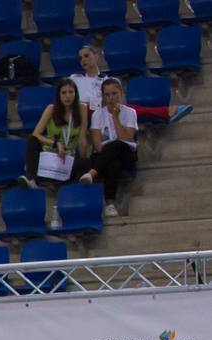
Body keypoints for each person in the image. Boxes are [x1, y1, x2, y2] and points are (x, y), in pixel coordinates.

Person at [73, 44, 191, 125]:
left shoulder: (108, 80)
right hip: (79, 113)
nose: (83, 60)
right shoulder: (74, 78)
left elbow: (108, 101)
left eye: (86, 56)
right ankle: (166, 112)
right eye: (80, 58)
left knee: (123, 109)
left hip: (101, 112)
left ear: (96, 57)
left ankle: (166, 112)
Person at [78, 78, 139, 217]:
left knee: (117, 144)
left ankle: (92, 173)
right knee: (113, 163)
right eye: (107, 95)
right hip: (105, 156)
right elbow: (98, 145)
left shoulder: (130, 112)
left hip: (126, 153)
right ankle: (110, 204)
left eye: (114, 93)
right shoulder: (97, 114)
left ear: (121, 93)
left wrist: (115, 118)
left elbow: (127, 139)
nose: (111, 98)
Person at [22, 78, 90, 188]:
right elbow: (36, 135)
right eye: (64, 93)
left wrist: (83, 159)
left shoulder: (82, 108)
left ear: (75, 93)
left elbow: (82, 138)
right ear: (59, 95)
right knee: (32, 140)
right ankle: (31, 179)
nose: (67, 96)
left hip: (68, 156)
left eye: (71, 92)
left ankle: (71, 189)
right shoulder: (51, 109)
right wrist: (56, 144)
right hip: (50, 154)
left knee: (86, 163)